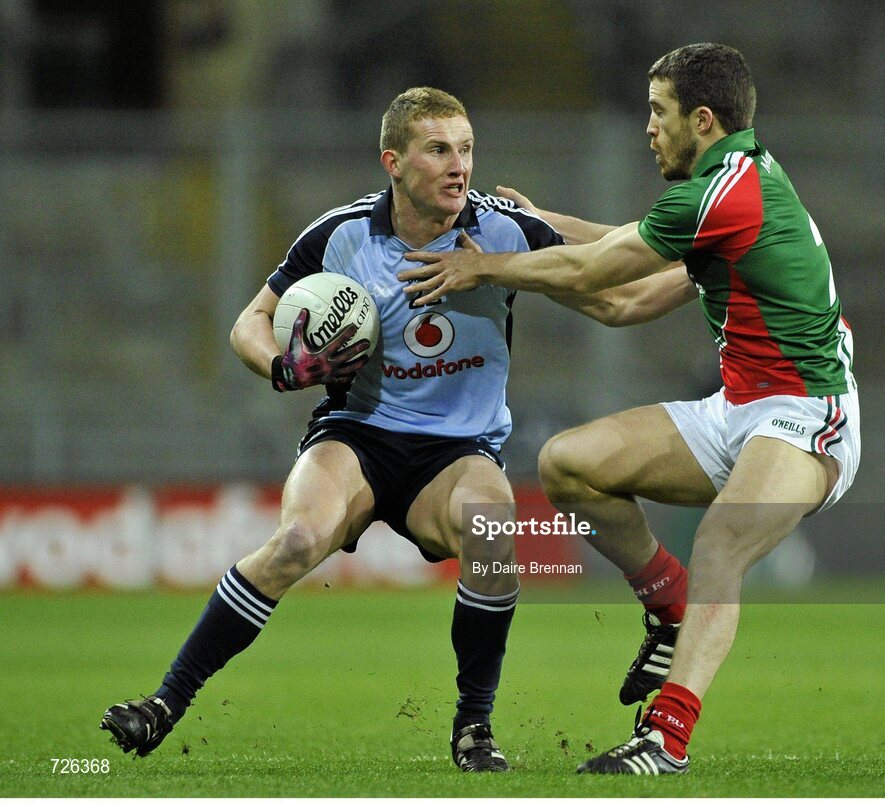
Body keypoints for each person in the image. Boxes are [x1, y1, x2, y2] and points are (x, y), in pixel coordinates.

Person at [100, 86, 632, 773]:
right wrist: (282, 369)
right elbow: (248, 323)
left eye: (466, 149)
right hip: (357, 434)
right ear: (393, 161)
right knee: (294, 540)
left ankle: (474, 726)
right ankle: (165, 701)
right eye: (438, 149)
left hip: (457, 449)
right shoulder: (340, 234)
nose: (458, 165)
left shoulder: (502, 230)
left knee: (493, 525)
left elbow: (610, 265)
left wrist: (684, 252)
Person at [398, 44, 860, 776]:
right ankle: (670, 606)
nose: (648, 128)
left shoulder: (726, 192)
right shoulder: (724, 184)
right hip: (737, 407)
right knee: (570, 465)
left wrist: (482, 263)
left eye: (658, 111)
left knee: (720, 543)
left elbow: (600, 271)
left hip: (807, 412)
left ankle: (666, 738)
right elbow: (624, 292)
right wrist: (540, 220)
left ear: (701, 119)